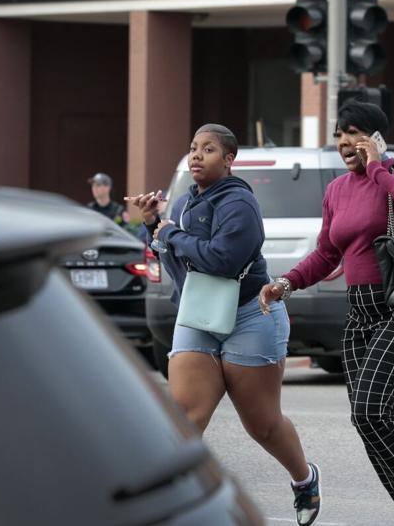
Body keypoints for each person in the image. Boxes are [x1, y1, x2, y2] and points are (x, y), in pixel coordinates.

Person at [125, 124, 322, 526]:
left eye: (209, 149)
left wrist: (171, 233)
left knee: (262, 424)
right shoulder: (180, 205)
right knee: (186, 415)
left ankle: (304, 478)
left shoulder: (239, 204)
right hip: (199, 315)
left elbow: (222, 260)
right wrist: (152, 227)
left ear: (229, 160)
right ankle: (170, 504)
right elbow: (177, 263)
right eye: (194, 147)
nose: (197, 155)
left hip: (250, 315)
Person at [259, 100, 394, 526]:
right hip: (359, 311)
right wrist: (286, 283)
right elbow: (326, 253)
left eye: (354, 132)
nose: (344, 141)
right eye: (340, 133)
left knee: (369, 409)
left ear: (376, 138)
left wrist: (379, 168)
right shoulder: (337, 191)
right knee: (368, 418)